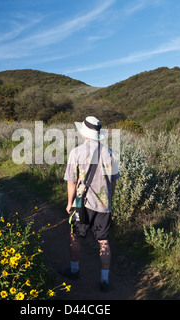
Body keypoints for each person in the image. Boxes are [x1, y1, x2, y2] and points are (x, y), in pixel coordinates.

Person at [59, 116, 120, 292]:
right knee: (103, 241)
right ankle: (104, 281)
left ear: (84, 133)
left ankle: (74, 271)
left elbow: (71, 181)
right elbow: (113, 182)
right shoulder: (111, 153)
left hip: (82, 203)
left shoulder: (76, 152)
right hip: (104, 205)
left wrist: (70, 203)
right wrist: (109, 200)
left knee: (75, 236)